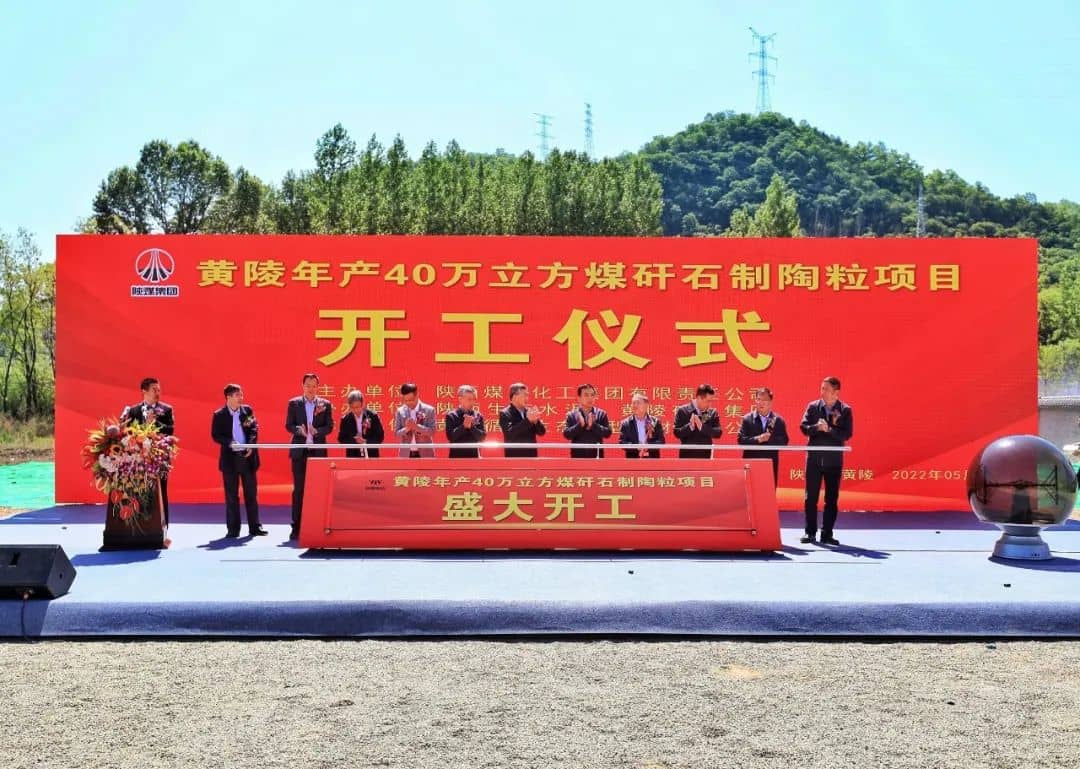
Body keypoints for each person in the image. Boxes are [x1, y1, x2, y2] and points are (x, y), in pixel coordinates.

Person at [799, 376, 854, 546]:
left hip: (833, 461)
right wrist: (817, 427)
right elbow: (804, 428)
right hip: (814, 460)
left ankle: (827, 533)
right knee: (810, 498)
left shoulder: (845, 410)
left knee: (831, 499)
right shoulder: (813, 407)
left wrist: (829, 429)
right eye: (822, 388)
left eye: (826, 389)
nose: (822, 392)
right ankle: (810, 532)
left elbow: (846, 434)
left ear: (836, 392)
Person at [210, 384, 266, 538]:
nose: (241, 398)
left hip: (247, 457)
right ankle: (233, 529)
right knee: (231, 496)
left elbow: (254, 428)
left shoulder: (247, 410)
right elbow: (215, 435)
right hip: (230, 459)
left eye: (241, 395)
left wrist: (251, 445)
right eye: (237, 395)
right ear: (228, 397)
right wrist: (229, 442)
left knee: (251, 494)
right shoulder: (219, 414)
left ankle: (255, 527)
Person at [285, 372, 335, 540]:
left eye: (314, 386)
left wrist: (317, 431)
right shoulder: (294, 403)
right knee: (299, 489)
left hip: (318, 452)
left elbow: (330, 426)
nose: (311, 389)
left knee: (319, 490)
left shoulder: (325, 404)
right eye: (308, 385)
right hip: (300, 451)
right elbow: (288, 424)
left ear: (318, 387)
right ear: (303, 386)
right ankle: (296, 526)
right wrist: (298, 430)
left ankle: (317, 524)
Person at [120, 377, 175, 524]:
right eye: (154, 390)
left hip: (159, 459)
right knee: (139, 491)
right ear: (144, 391)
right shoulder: (133, 410)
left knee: (161, 491)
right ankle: (142, 525)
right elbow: (127, 431)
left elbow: (170, 430)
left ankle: (163, 527)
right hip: (138, 460)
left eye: (159, 390)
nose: (157, 393)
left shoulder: (166, 409)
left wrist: (154, 423)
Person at [736, 387, 790, 485]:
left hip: (770, 463)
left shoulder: (778, 420)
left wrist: (770, 439)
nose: (761, 403)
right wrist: (758, 439)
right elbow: (741, 440)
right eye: (758, 399)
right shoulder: (747, 419)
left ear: (771, 402)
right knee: (749, 489)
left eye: (765, 400)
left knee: (768, 490)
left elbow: (784, 441)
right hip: (751, 463)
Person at [562, 383, 612, 458]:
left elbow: (608, 433)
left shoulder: (601, 414)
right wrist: (579, 425)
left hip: (597, 456)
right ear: (579, 398)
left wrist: (594, 425)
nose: (590, 398)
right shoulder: (572, 415)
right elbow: (567, 435)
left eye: (592, 395)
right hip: (577, 457)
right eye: (586, 395)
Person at [672, 384, 722, 459]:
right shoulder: (683, 411)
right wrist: (690, 426)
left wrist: (702, 427)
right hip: (686, 455)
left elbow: (718, 433)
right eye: (708, 401)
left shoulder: (712, 412)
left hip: (705, 456)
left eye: (711, 401)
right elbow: (676, 433)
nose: (709, 404)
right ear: (699, 398)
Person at [499, 382, 546, 458]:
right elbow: (509, 434)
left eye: (527, 395)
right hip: (514, 457)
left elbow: (542, 432)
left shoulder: (529, 412)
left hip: (531, 456)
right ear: (514, 396)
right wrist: (528, 420)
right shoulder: (505, 413)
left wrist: (536, 421)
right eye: (524, 395)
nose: (527, 398)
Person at [393, 383, 437, 458]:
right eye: (405, 400)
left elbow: (432, 432)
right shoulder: (400, 411)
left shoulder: (429, 410)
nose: (408, 403)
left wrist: (417, 427)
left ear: (417, 395)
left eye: (411, 400)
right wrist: (407, 429)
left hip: (425, 453)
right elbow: (397, 433)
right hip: (406, 454)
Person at [338, 390, 385, 458]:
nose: (355, 410)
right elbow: (341, 439)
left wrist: (365, 441)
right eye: (352, 408)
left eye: (357, 407)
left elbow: (380, 437)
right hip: (353, 455)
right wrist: (355, 441)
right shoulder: (346, 419)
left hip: (371, 454)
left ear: (362, 404)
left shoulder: (373, 416)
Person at [618, 393, 666, 458]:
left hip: (652, 458)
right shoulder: (626, 423)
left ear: (646, 405)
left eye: (638, 403)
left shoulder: (655, 422)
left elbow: (661, 441)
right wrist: (636, 447)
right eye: (633, 403)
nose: (635, 405)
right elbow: (622, 442)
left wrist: (648, 447)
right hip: (633, 459)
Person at [445, 385, 486, 458]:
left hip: (474, 457)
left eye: (474, 399)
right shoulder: (451, 415)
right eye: (469, 399)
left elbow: (482, 437)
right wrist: (463, 426)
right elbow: (450, 437)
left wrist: (472, 427)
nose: (472, 402)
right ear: (460, 399)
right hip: (456, 457)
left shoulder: (478, 415)